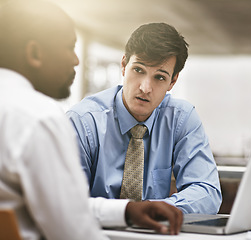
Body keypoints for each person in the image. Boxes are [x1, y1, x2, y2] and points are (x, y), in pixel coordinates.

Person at [0, 1, 182, 239]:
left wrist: (126, 210)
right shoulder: (38, 117)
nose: (76, 60)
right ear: (35, 53)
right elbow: (73, 230)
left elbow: (64, 206)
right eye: (69, 47)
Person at [66, 23, 222, 215]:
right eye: (138, 70)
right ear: (123, 65)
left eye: (160, 77)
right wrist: (126, 213)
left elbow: (207, 192)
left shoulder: (180, 118)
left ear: (172, 81)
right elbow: (67, 202)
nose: (145, 88)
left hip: (155, 232)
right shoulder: (83, 121)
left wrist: (156, 211)